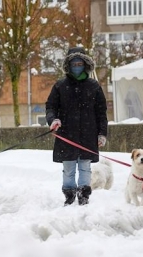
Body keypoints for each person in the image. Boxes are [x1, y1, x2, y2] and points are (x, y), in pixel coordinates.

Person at [45, 46, 108, 206]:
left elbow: (101, 112)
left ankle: (83, 194)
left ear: (85, 65)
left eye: (80, 64)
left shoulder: (94, 86)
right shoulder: (60, 86)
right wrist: (53, 120)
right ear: (68, 65)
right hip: (67, 135)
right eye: (74, 64)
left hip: (88, 134)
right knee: (68, 167)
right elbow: (51, 106)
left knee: (85, 167)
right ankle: (69, 194)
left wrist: (102, 133)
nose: (77, 67)